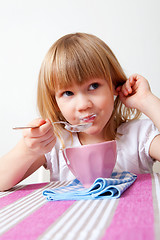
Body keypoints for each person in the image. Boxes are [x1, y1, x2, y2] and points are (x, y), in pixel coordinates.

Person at [0, 32, 160, 191]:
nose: (83, 105)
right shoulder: (54, 144)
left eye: (94, 86)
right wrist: (28, 149)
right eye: (68, 93)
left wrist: (146, 100)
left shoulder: (140, 136)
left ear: (114, 85)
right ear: (55, 102)